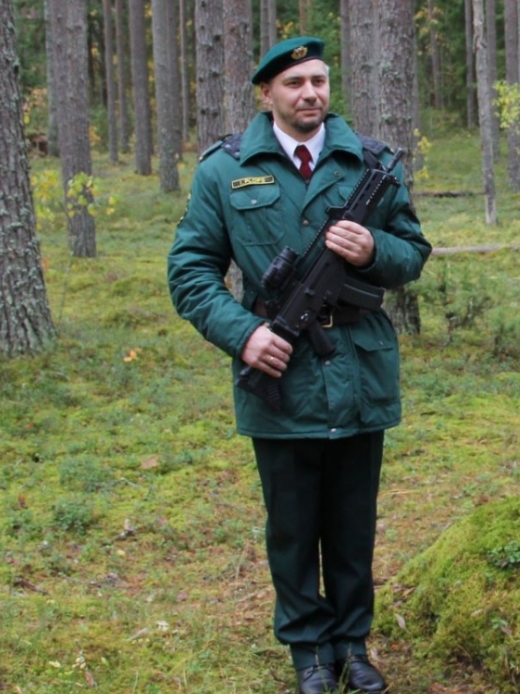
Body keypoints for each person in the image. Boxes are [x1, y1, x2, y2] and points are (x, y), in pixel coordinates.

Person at [167, 37, 431, 692]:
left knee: (351, 524)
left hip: (359, 372)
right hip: (279, 373)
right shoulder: (224, 172)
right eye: (294, 84)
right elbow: (191, 272)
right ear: (267, 95)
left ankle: (352, 645)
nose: (310, 92)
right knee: (291, 526)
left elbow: (413, 253)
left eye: (318, 80)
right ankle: (308, 650)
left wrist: (373, 249)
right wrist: (244, 334)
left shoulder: (368, 162)